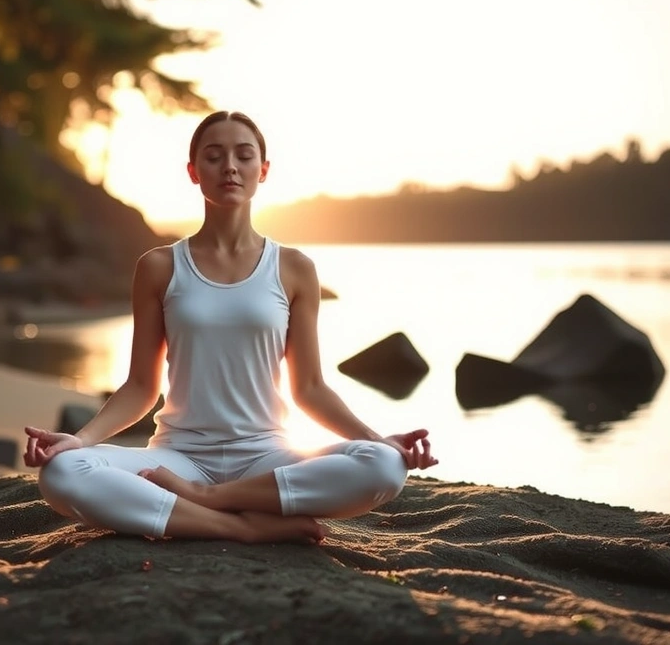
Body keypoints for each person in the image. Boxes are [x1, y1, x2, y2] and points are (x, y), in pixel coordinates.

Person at [23, 110, 438, 544]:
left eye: (243, 155)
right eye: (214, 156)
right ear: (193, 172)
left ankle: (208, 499)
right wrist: (80, 439)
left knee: (384, 466)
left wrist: (379, 440)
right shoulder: (160, 266)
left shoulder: (294, 268)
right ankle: (240, 526)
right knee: (62, 472)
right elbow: (142, 386)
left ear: (264, 169)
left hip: (267, 458)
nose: (230, 167)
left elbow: (310, 388)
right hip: (178, 457)